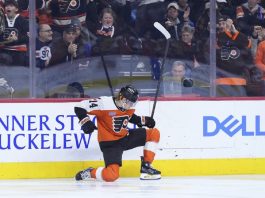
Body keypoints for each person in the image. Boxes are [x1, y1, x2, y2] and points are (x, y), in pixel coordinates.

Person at [74, 85, 161, 182]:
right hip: (110, 144)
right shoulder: (104, 103)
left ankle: (146, 166)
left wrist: (143, 120)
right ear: (122, 98)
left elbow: (128, 116)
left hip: (125, 137)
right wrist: (85, 121)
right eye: (129, 102)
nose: (131, 105)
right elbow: (79, 107)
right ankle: (90, 172)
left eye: (133, 103)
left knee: (154, 133)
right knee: (111, 175)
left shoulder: (127, 107)